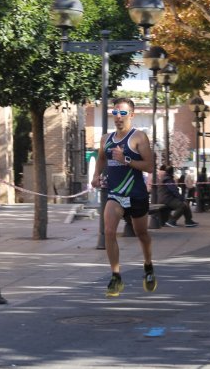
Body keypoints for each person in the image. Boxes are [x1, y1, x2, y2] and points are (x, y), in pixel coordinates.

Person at [91, 97, 156, 298]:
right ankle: (116, 276)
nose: (118, 117)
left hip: (136, 194)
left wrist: (126, 159)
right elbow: (102, 158)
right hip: (115, 193)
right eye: (115, 113)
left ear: (132, 115)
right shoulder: (105, 139)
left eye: (123, 113)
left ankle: (148, 265)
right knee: (109, 231)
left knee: (141, 234)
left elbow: (149, 166)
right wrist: (95, 176)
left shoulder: (139, 137)